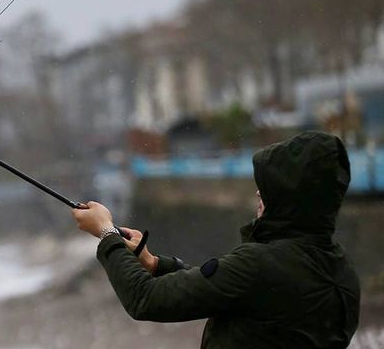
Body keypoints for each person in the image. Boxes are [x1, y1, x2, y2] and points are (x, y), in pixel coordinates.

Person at [72, 131, 360, 348]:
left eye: (268, 188)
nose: (259, 194)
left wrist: (106, 233)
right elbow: (234, 293)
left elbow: (146, 299)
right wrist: (155, 263)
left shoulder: (259, 265)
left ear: (291, 199)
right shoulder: (341, 271)